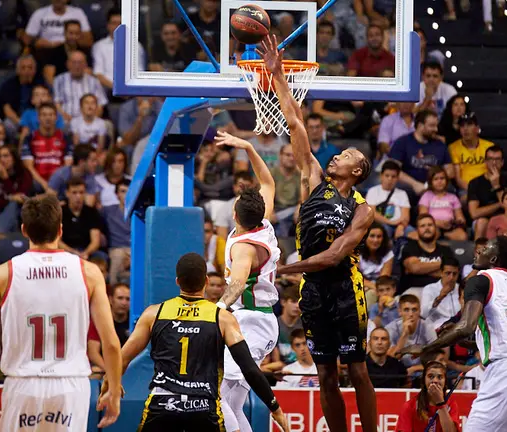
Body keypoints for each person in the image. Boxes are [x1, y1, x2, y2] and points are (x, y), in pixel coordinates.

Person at [263, 34, 378, 432]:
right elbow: (295, 122)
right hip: (313, 292)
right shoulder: (313, 179)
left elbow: (333, 256)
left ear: (357, 171)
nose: (337, 156)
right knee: (326, 375)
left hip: (345, 288)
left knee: (357, 371)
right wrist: (278, 76)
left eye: (346, 155)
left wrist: (283, 270)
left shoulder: (363, 209)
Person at [0, 194, 122, 431]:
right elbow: (112, 344)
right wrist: (114, 392)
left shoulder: (2, 275)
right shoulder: (89, 272)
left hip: (22, 384)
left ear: (24, 230)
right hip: (71, 385)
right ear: (60, 230)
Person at [109, 252, 289, 431]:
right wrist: (275, 407)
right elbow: (249, 368)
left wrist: (110, 384)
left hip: (163, 402)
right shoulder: (222, 318)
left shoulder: (154, 313)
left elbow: (122, 358)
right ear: (206, 282)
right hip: (203, 405)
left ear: (177, 281)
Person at [400, 236, 507, 432]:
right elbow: (505, 337)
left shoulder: (480, 280)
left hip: (506, 370)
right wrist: (467, 342)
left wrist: (425, 348)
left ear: (493, 259)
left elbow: (466, 326)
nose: (479, 250)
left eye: (486, 248)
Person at [211, 130, 281, 432]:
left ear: (235, 214)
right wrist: (248, 148)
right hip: (259, 319)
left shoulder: (244, 248)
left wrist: (215, 310)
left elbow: (238, 284)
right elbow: (268, 182)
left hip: (251, 321)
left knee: (215, 397)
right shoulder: (262, 222)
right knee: (234, 404)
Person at [396, 361, 460, 432]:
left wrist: (440, 404)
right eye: (430, 376)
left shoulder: (451, 405)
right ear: (424, 380)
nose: (435, 381)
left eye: (440, 377)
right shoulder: (410, 406)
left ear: (445, 381)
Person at [418, 166, 467, 241]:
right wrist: (437, 222)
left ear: (446, 180)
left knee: (462, 236)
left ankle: (444, 235)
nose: (439, 181)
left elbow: (460, 217)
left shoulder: (453, 197)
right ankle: (440, 235)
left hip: (449, 227)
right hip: (433, 225)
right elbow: (423, 217)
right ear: (430, 182)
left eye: (442, 178)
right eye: (436, 179)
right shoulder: (426, 196)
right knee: (433, 234)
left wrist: (458, 221)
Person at [421, 258, 462, 330]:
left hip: (458, 328)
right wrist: (440, 297)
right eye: (448, 273)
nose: (451, 277)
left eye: (454, 274)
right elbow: (423, 314)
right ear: (441, 273)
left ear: (458, 273)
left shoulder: (461, 289)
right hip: (438, 329)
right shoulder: (430, 289)